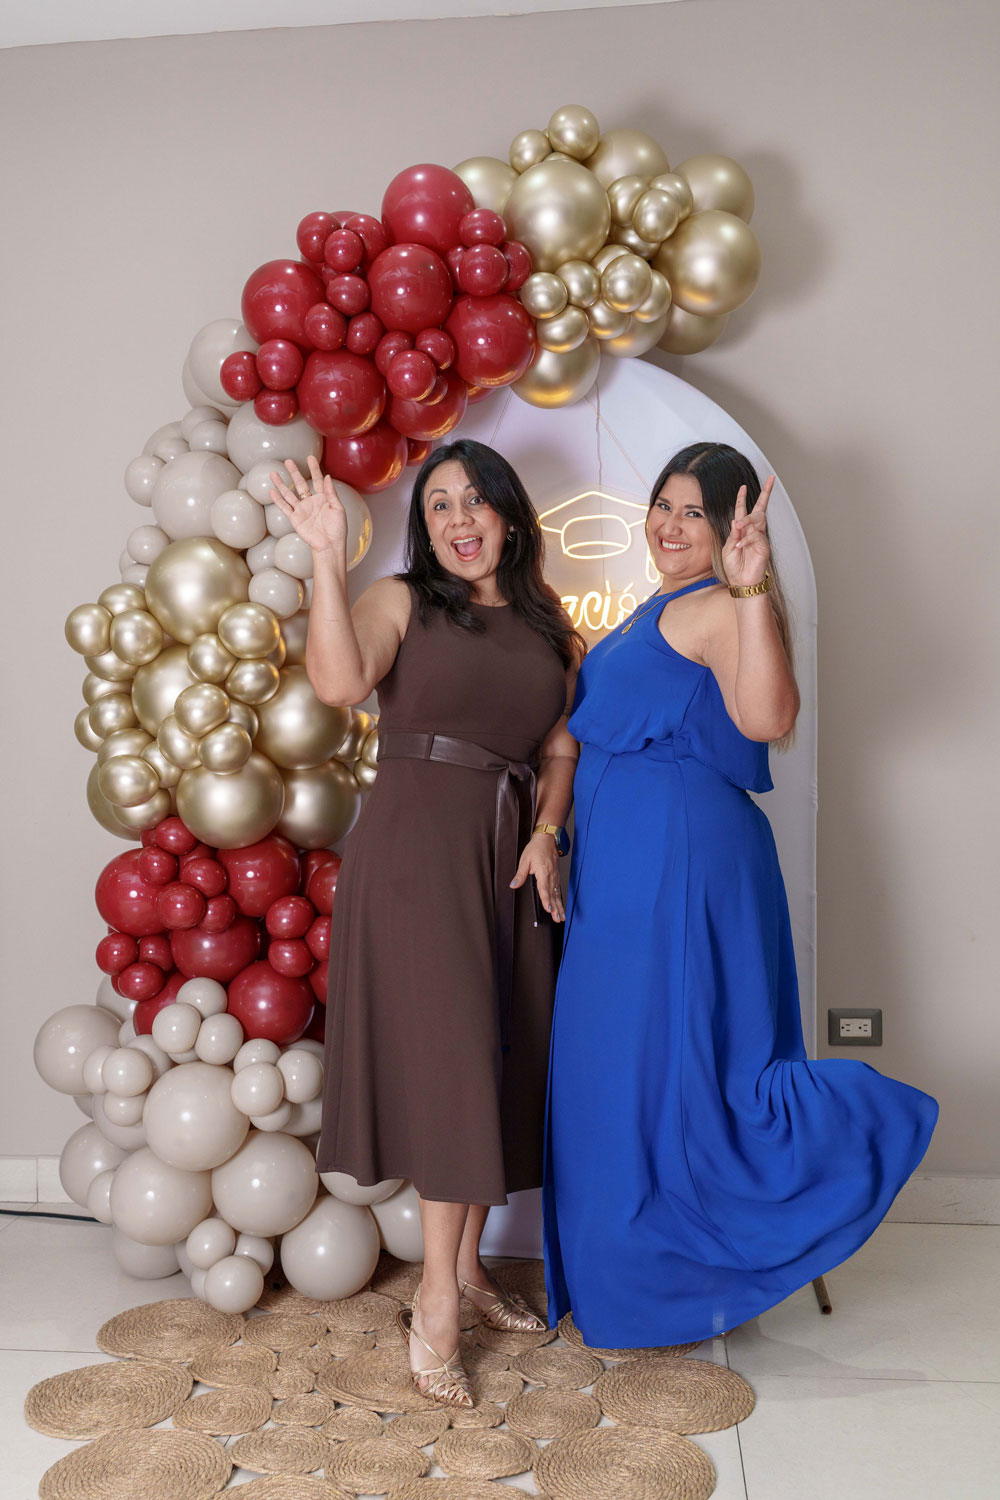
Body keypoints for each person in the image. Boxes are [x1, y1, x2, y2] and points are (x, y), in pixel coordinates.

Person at [543, 441, 938, 1349]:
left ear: (729, 531)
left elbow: (769, 719)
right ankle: (639, 1271)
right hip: (629, 869)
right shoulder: (657, 606)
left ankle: (698, 1254)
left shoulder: (725, 604)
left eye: (695, 512)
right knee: (629, 1065)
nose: (671, 525)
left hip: (678, 868)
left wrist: (752, 583)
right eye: (663, 505)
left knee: (672, 1065)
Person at [270, 440, 582, 1404]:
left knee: (499, 1060)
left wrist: (547, 834)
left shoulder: (552, 628)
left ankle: (473, 1268)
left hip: (509, 859)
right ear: (426, 526)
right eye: (439, 503)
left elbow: (560, 750)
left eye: (475, 499)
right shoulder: (401, 600)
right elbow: (338, 682)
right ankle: (437, 1303)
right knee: (452, 1069)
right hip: (416, 854)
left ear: (510, 516)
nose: (458, 517)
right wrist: (327, 555)